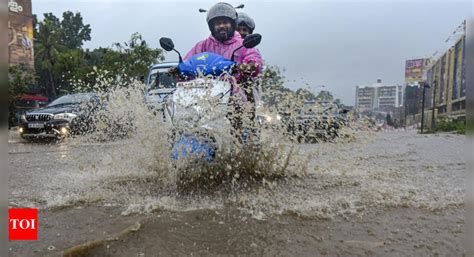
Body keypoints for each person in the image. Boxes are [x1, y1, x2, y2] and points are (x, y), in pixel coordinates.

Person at [182, 2, 264, 142]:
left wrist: (249, 66)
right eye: (218, 23)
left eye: (225, 22)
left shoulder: (242, 44)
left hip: (235, 95)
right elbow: (187, 62)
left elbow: (254, 58)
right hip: (205, 96)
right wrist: (178, 70)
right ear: (212, 26)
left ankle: (243, 143)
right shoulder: (203, 45)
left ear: (232, 24)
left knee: (240, 130)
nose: (221, 26)